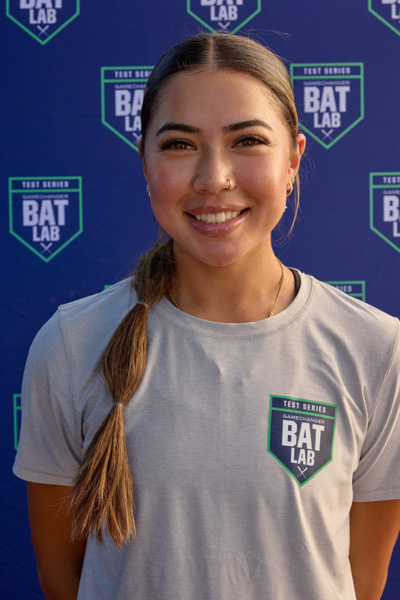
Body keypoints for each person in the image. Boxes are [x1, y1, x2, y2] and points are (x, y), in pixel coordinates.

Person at [13, 32, 400, 600]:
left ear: (293, 160)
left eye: (248, 140)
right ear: (145, 162)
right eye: (179, 144)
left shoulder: (377, 348)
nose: (214, 177)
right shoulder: (71, 345)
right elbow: (62, 579)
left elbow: (361, 580)